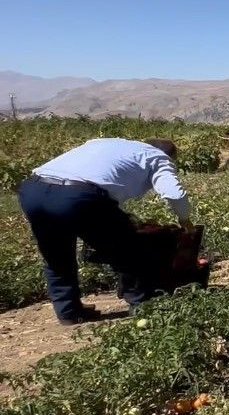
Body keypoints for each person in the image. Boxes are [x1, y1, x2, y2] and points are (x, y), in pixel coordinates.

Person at [18, 138, 193, 325]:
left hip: (33, 191)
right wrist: (184, 219)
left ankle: (69, 311)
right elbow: (174, 194)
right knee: (130, 249)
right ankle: (143, 305)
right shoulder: (158, 157)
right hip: (78, 197)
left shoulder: (106, 142)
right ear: (170, 156)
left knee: (56, 256)